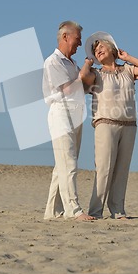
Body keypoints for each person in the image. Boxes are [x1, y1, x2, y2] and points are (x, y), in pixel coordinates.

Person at [81, 32, 138, 219]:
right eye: (94, 50)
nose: (97, 51)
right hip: (105, 123)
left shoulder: (128, 70)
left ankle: (118, 210)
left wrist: (128, 57)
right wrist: (87, 62)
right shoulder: (96, 74)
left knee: (122, 169)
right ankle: (95, 211)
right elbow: (83, 78)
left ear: (112, 49)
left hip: (129, 125)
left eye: (100, 47)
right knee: (104, 168)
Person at [43, 21, 96, 221]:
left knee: (62, 164)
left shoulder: (70, 63)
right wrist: (85, 71)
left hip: (76, 114)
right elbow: (66, 89)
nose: (80, 43)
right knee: (69, 162)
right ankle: (73, 210)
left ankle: (52, 211)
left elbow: (82, 88)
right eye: (77, 39)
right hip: (61, 113)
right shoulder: (53, 61)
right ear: (65, 37)